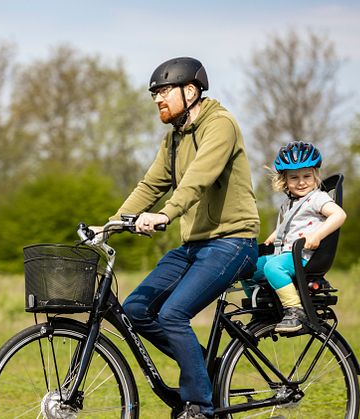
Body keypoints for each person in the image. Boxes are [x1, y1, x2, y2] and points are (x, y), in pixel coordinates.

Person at [100, 57, 260, 419]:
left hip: (233, 242)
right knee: (136, 310)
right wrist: (109, 225)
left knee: (172, 314)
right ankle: (203, 372)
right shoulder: (173, 139)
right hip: (195, 246)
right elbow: (150, 184)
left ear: (191, 91)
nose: (157, 99)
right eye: (154, 94)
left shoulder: (220, 125)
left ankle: (200, 407)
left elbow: (198, 178)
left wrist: (165, 214)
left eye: (164, 91)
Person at [249, 141, 347, 333]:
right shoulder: (289, 203)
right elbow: (291, 226)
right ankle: (262, 310)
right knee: (247, 266)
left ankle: (295, 310)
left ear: (315, 176)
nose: (301, 182)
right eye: (294, 177)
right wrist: (275, 235)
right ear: (284, 180)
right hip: (285, 253)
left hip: (303, 257)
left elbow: (339, 215)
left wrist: (318, 234)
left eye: (307, 176)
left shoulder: (317, 198)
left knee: (272, 267)